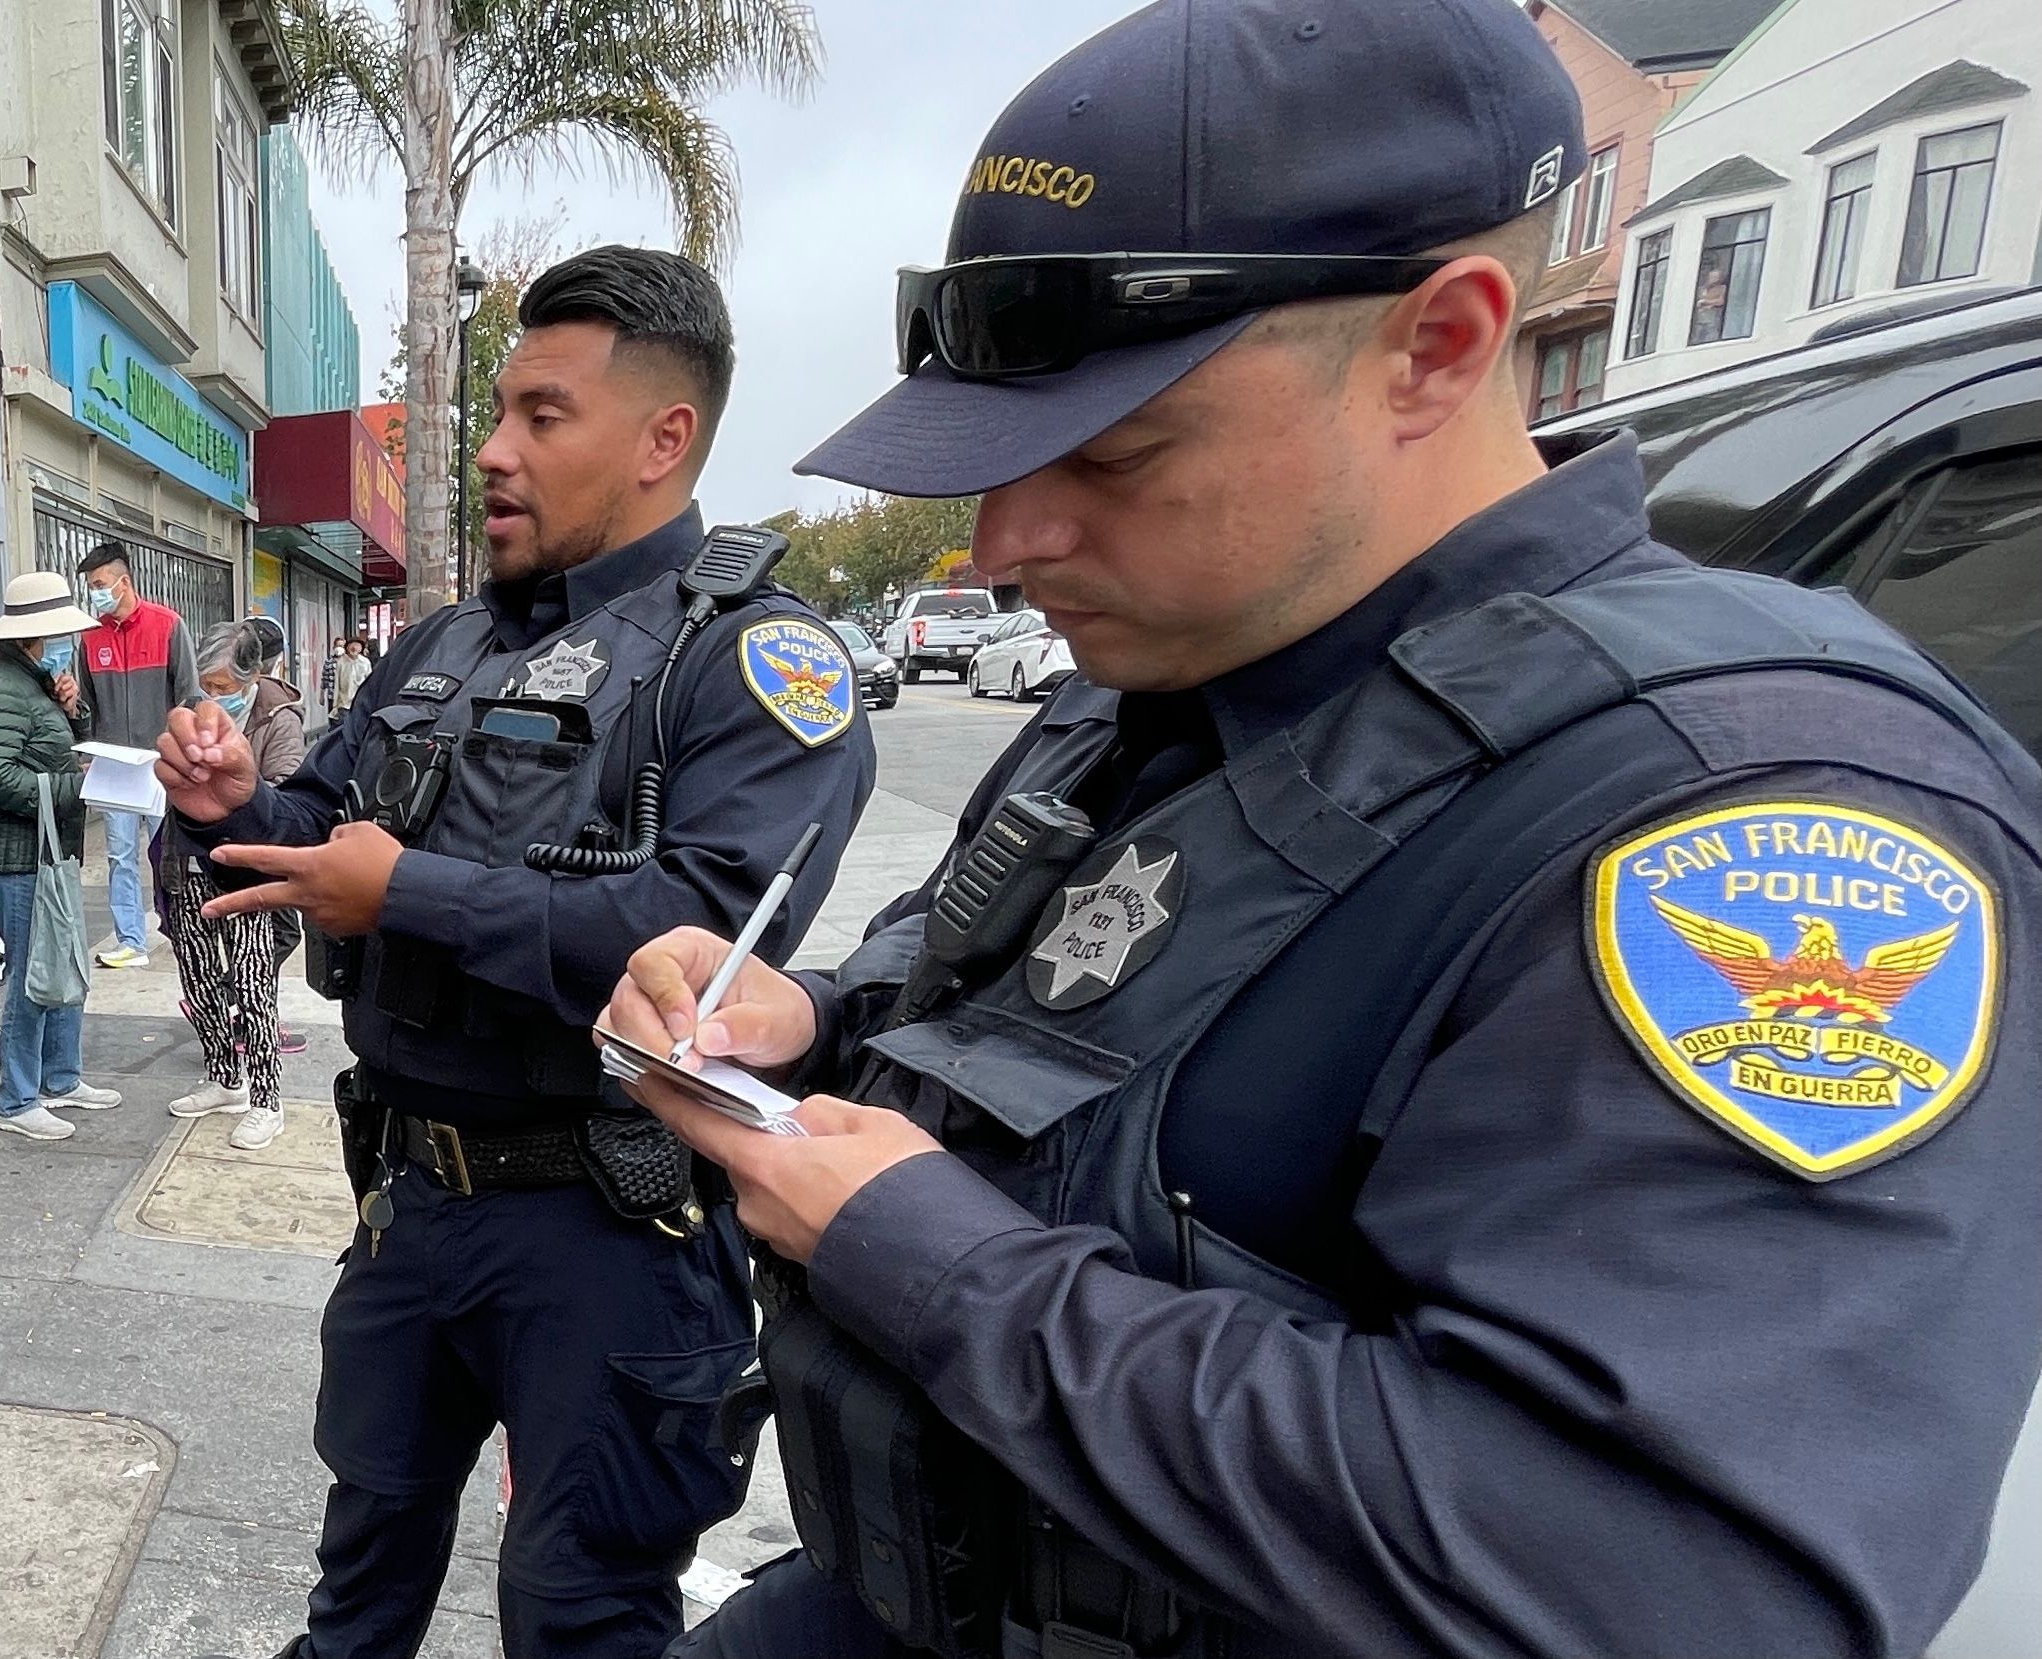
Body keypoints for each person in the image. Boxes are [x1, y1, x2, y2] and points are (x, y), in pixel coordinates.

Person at [598, 5, 2042, 1657]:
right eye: (990, 462)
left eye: (1112, 453)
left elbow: (1662, 1580)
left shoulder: (1756, 812)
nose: (1001, 544)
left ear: (1435, 344)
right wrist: (809, 1024)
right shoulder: (1150, 685)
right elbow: (1012, 1021)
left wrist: (930, 1260)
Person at [160, 245, 877, 1659]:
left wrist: (407, 892)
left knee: (579, 1610)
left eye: (540, 416)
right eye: (497, 411)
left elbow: (706, 942)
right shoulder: (439, 644)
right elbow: (315, 821)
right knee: (358, 1570)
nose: (491, 450)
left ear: (663, 439)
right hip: (413, 1197)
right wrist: (228, 799)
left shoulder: (746, 661)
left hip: (606, 1226)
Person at [0, 569, 123, 1136]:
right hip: (19, 855)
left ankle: (61, 1077)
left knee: (62, 961)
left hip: (49, 849)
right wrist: (78, 788)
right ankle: (16, 1099)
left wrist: (73, 707)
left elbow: (58, 744)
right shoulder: (0, 686)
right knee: (34, 973)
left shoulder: (35, 677)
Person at [160, 620, 308, 1149]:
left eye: (225, 688)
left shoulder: (277, 720)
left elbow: (288, 797)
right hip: (186, 868)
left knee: (252, 988)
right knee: (199, 983)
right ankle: (224, 1077)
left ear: (252, 678)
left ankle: (267, 1098)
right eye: (207, 686)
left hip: (243, 873)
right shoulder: (188, 711)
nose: (214, 697)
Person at [74, 543, 197, 968]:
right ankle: (131, 941)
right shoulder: (91, 637)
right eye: (91, 587)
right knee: (119, 855)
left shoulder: (167, 626)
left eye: (100, 585)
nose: (96, 594)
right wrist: (90, 746)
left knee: (170, 853)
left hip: (161, 766)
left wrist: (180, 752)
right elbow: (86, 704)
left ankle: (182, 932)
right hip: (113, 767)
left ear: (124, 582)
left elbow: (189, 696)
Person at [329, 634, 373, 716]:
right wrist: (334, 706)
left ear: (361, 649)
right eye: (352, 646)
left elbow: (370, 684)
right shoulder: (341, 662)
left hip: (360, 704)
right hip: (344, 704)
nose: (354, 648)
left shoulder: (365, 663)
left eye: (357, 646)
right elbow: (337, 684)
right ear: (347, 648)